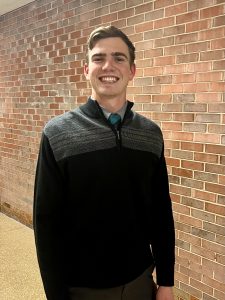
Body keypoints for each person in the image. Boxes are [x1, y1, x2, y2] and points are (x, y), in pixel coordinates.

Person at [33, 25, 175, 300]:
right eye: (98, 58)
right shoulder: (58, 133)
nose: (108, 65)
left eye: (119, 58)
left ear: (132, 70)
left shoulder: (150, 134)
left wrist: (166, 282)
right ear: (86, 69)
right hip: (82, 288)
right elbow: (46, 224)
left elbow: (160, 212)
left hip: (140, 283)